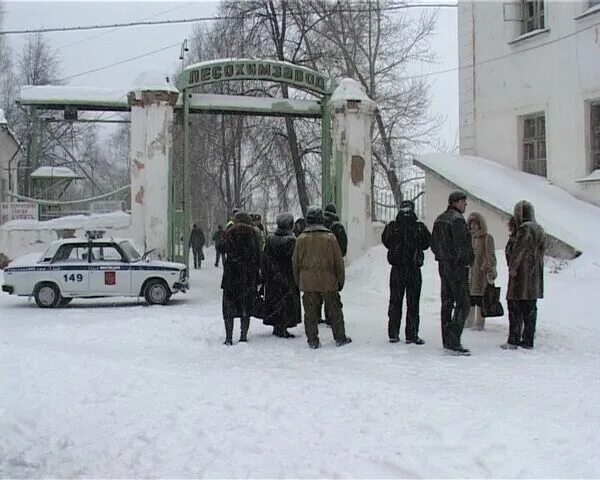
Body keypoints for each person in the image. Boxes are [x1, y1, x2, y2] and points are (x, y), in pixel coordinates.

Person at [293, 206, 351, 349]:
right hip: (328, 281)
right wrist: (340, 281)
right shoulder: (330, 238)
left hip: (308, 282)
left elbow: (296, 263)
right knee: (335, 310)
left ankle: (312, 339)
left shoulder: (301, 239)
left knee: (310, 313)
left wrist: (298, 281)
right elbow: (338, 262)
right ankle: (340, 337)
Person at [430, 191, 475, 355]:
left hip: (443, 265)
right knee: (463, 303)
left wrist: (442, 256)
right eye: (463, 202)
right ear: (455, 202)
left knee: (447, 301)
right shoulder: (457, 220)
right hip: (456, 267)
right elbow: (462, 245)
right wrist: (465, 260)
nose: (465, 205)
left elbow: (433, 243)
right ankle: (453, 338)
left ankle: (447, 338)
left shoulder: (440, 219)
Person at [381, 199, 431, 344]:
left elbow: (386, 241)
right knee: (413, 303)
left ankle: (393, 333)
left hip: (397, 270)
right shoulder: (419, 227)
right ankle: (412, 334)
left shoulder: (393, 227)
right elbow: (427, 243)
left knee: (395, 302)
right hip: (413, 270)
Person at [502, 201, 545, 350]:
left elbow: (518, 251)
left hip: (521, 276)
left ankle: (513, 340)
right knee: (530, 309)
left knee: (515, 307)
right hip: (534, 277)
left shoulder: (523, 229)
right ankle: (528, 340)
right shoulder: (539, 229)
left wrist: (513, 267)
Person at [219, 211, 262, 345]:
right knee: (246, 306)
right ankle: (243, 335)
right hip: (248, 276)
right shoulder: (254, 234)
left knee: (229, 307)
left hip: (231, 275)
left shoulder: (230, 233)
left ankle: (229, 337)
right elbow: (258, 255)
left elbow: (221, 247)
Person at [262, 212, 301, 338]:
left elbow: (265, 259)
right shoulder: (292, 241)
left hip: (273, 278)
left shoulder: (270, 240)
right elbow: (295, 260)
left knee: (275, 301)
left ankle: (277, 325)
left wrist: (267, 274)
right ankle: (283, 326)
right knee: (287, 302)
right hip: (288, 277)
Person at [465, 212, 497, 330]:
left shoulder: (487, 238)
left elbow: (491, 256)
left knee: (480, 299)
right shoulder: (468, 237)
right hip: (469, 274)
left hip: (481, 274)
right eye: (471, 223)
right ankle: (468, 321)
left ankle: (479, 323)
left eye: (475, 224)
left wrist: (487, 268)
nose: (473, 226)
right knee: (469, 298)